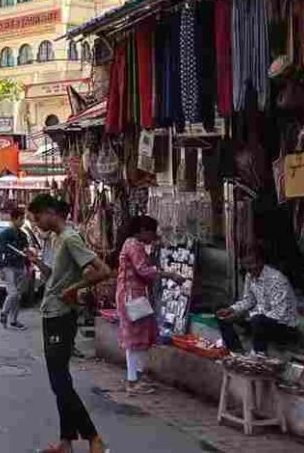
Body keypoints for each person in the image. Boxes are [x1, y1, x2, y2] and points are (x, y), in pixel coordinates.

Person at [27, 194, 111, 453]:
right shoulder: (56, 239)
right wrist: (38, 262)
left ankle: (94, 438)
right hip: (51, 313)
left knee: (60, 382)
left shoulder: (71, 238)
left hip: (62, 316)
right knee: (59, 382)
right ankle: (65, 442)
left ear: (51, 212)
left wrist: (74, 288)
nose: (37, 223)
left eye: (38, 217)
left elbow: (103, 270)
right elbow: (55, 276)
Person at [115, 216, 185, 394]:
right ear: (143, 230)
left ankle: (136, 376)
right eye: (152, 231)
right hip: (132, 296)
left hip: (132, 295)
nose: (154, 235)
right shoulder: (134, 245)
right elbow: (143, 270)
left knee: (140, 336)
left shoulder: (131, 243)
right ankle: (133, 381)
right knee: (135, 338)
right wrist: (169, 275)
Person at [216, 247, 298, 355]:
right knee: (222, 313)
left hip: (283, 326)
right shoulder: (250, 275)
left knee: (257, 321)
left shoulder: (277, 279)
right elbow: (249, 300)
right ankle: (236, 351)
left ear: (261, 262)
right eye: (246, 265)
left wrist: (250, 317)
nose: (248, 268)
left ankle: (259, 357)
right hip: (260, 321)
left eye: (251, 264)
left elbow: (279, 315)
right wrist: (232, 310)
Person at [0, 205, 30, 330]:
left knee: (18, 296)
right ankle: (4, 313)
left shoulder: (23, 235)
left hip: (20, 266)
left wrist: (28, 262)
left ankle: (14, 320)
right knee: (13, 293)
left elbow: (26, 250)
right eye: (21, 219)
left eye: (23, 219)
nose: (22, 222)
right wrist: (0, 268)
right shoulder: (4, 234)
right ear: (14, 219)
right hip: (8, 266)